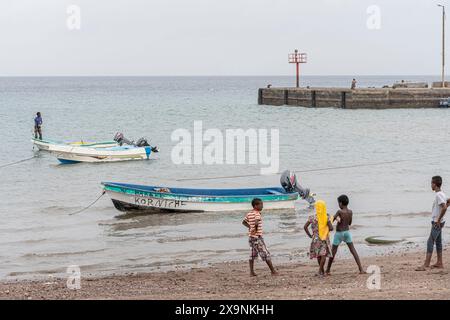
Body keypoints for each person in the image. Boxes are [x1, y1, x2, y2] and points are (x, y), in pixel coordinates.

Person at [325, 195, 365, 275]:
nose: (338, 205)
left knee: (333, 252)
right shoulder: (350, 212)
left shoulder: (339, 211)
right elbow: (349, 223)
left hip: (339, 234)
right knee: (353, 250)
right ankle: (361, 269)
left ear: (340, 203)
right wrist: (342, 220)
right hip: (347, 233)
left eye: (338, 203)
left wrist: (334, 219)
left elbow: (331, 221)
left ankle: (328, 270)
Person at [416, 176, 448, 271]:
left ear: (435, 184)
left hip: (437, 222)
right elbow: (447, 203)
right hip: (439, 221)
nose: (431, 185)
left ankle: (426, 264)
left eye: (431, 183)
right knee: (438, 242)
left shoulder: (439, 195)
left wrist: (438, 220)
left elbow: (444, 207)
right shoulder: (442, 194)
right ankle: (439, 263)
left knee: (430, 241)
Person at [242, 198, 278, 276]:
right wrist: (254, 230)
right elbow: (256, 223)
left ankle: (251, 272)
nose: (262, 206)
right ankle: (273, 271)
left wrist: (250, 228)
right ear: (255, 205)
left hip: (251, 237)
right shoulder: (257, 214)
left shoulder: (249, 213)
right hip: (257, 237)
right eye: (261, 204)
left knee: (252, 254)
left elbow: (244, 222)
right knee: (265, 253)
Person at [304, 200, 333, 277]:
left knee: (318, 255)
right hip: (323, 238)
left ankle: (322, 272)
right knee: (323, 255)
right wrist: (326, 229)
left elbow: (305, 227)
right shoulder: (326, 217)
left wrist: (310, 235)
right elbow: (331, 228)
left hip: (315, 239)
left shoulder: (312, 218)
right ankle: (320, 271)